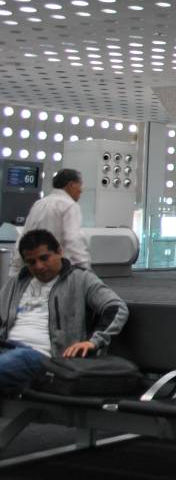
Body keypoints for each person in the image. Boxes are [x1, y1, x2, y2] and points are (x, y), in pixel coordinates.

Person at [0, 229, 128, 391]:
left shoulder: (80, 279)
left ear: (59, 252)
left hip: (45, 358)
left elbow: (116, 307)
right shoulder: (17, 282)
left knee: (18, 358)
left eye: (44, 258)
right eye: (31, 262)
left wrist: (93, 341)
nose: (39, 266)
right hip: (7, 349)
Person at [15, 168, 90, 274]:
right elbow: (73, 241)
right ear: (71, 185)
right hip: (56, 271)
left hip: (34, 269)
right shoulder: (69, 206)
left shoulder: (39, 203)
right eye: (80, 185)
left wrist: (16, 269)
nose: (81, 190)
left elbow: (23, 237)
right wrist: (85, 268)